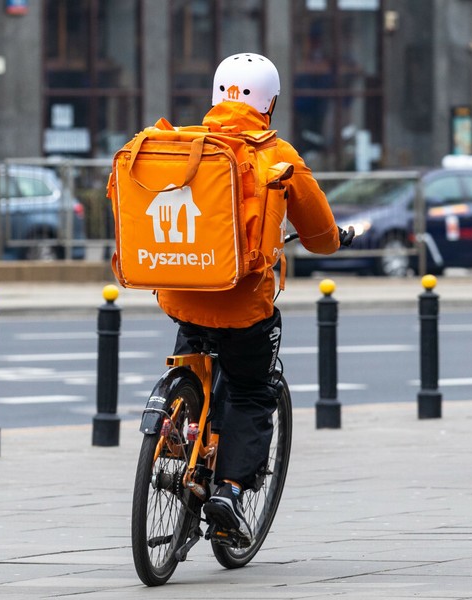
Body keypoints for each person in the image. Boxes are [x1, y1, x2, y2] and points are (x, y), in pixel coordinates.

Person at [156, 52, 353, 543]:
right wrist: (336, 240)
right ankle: (229, 490)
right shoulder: (279, 156)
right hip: (243, 306)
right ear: (270, 102)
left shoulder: (182, 147)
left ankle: (176, 436)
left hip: (182, 292)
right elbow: (320, 234)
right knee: (250, 391)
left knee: (195, 361)